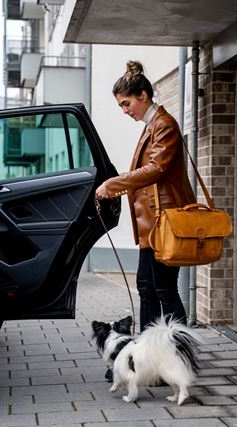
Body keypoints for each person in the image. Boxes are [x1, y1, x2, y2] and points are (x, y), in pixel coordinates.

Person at [95, 60, 196, 333]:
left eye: (127, 104)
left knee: (163, 288)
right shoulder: (152, 126)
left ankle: (178, 353)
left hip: (165, 223)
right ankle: (148, 355)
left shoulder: (164, 124)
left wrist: (114, 184)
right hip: (153, 225)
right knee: (147, 287)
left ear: (143, 95)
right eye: (121, 106)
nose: (125, 111)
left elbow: (156, 169)